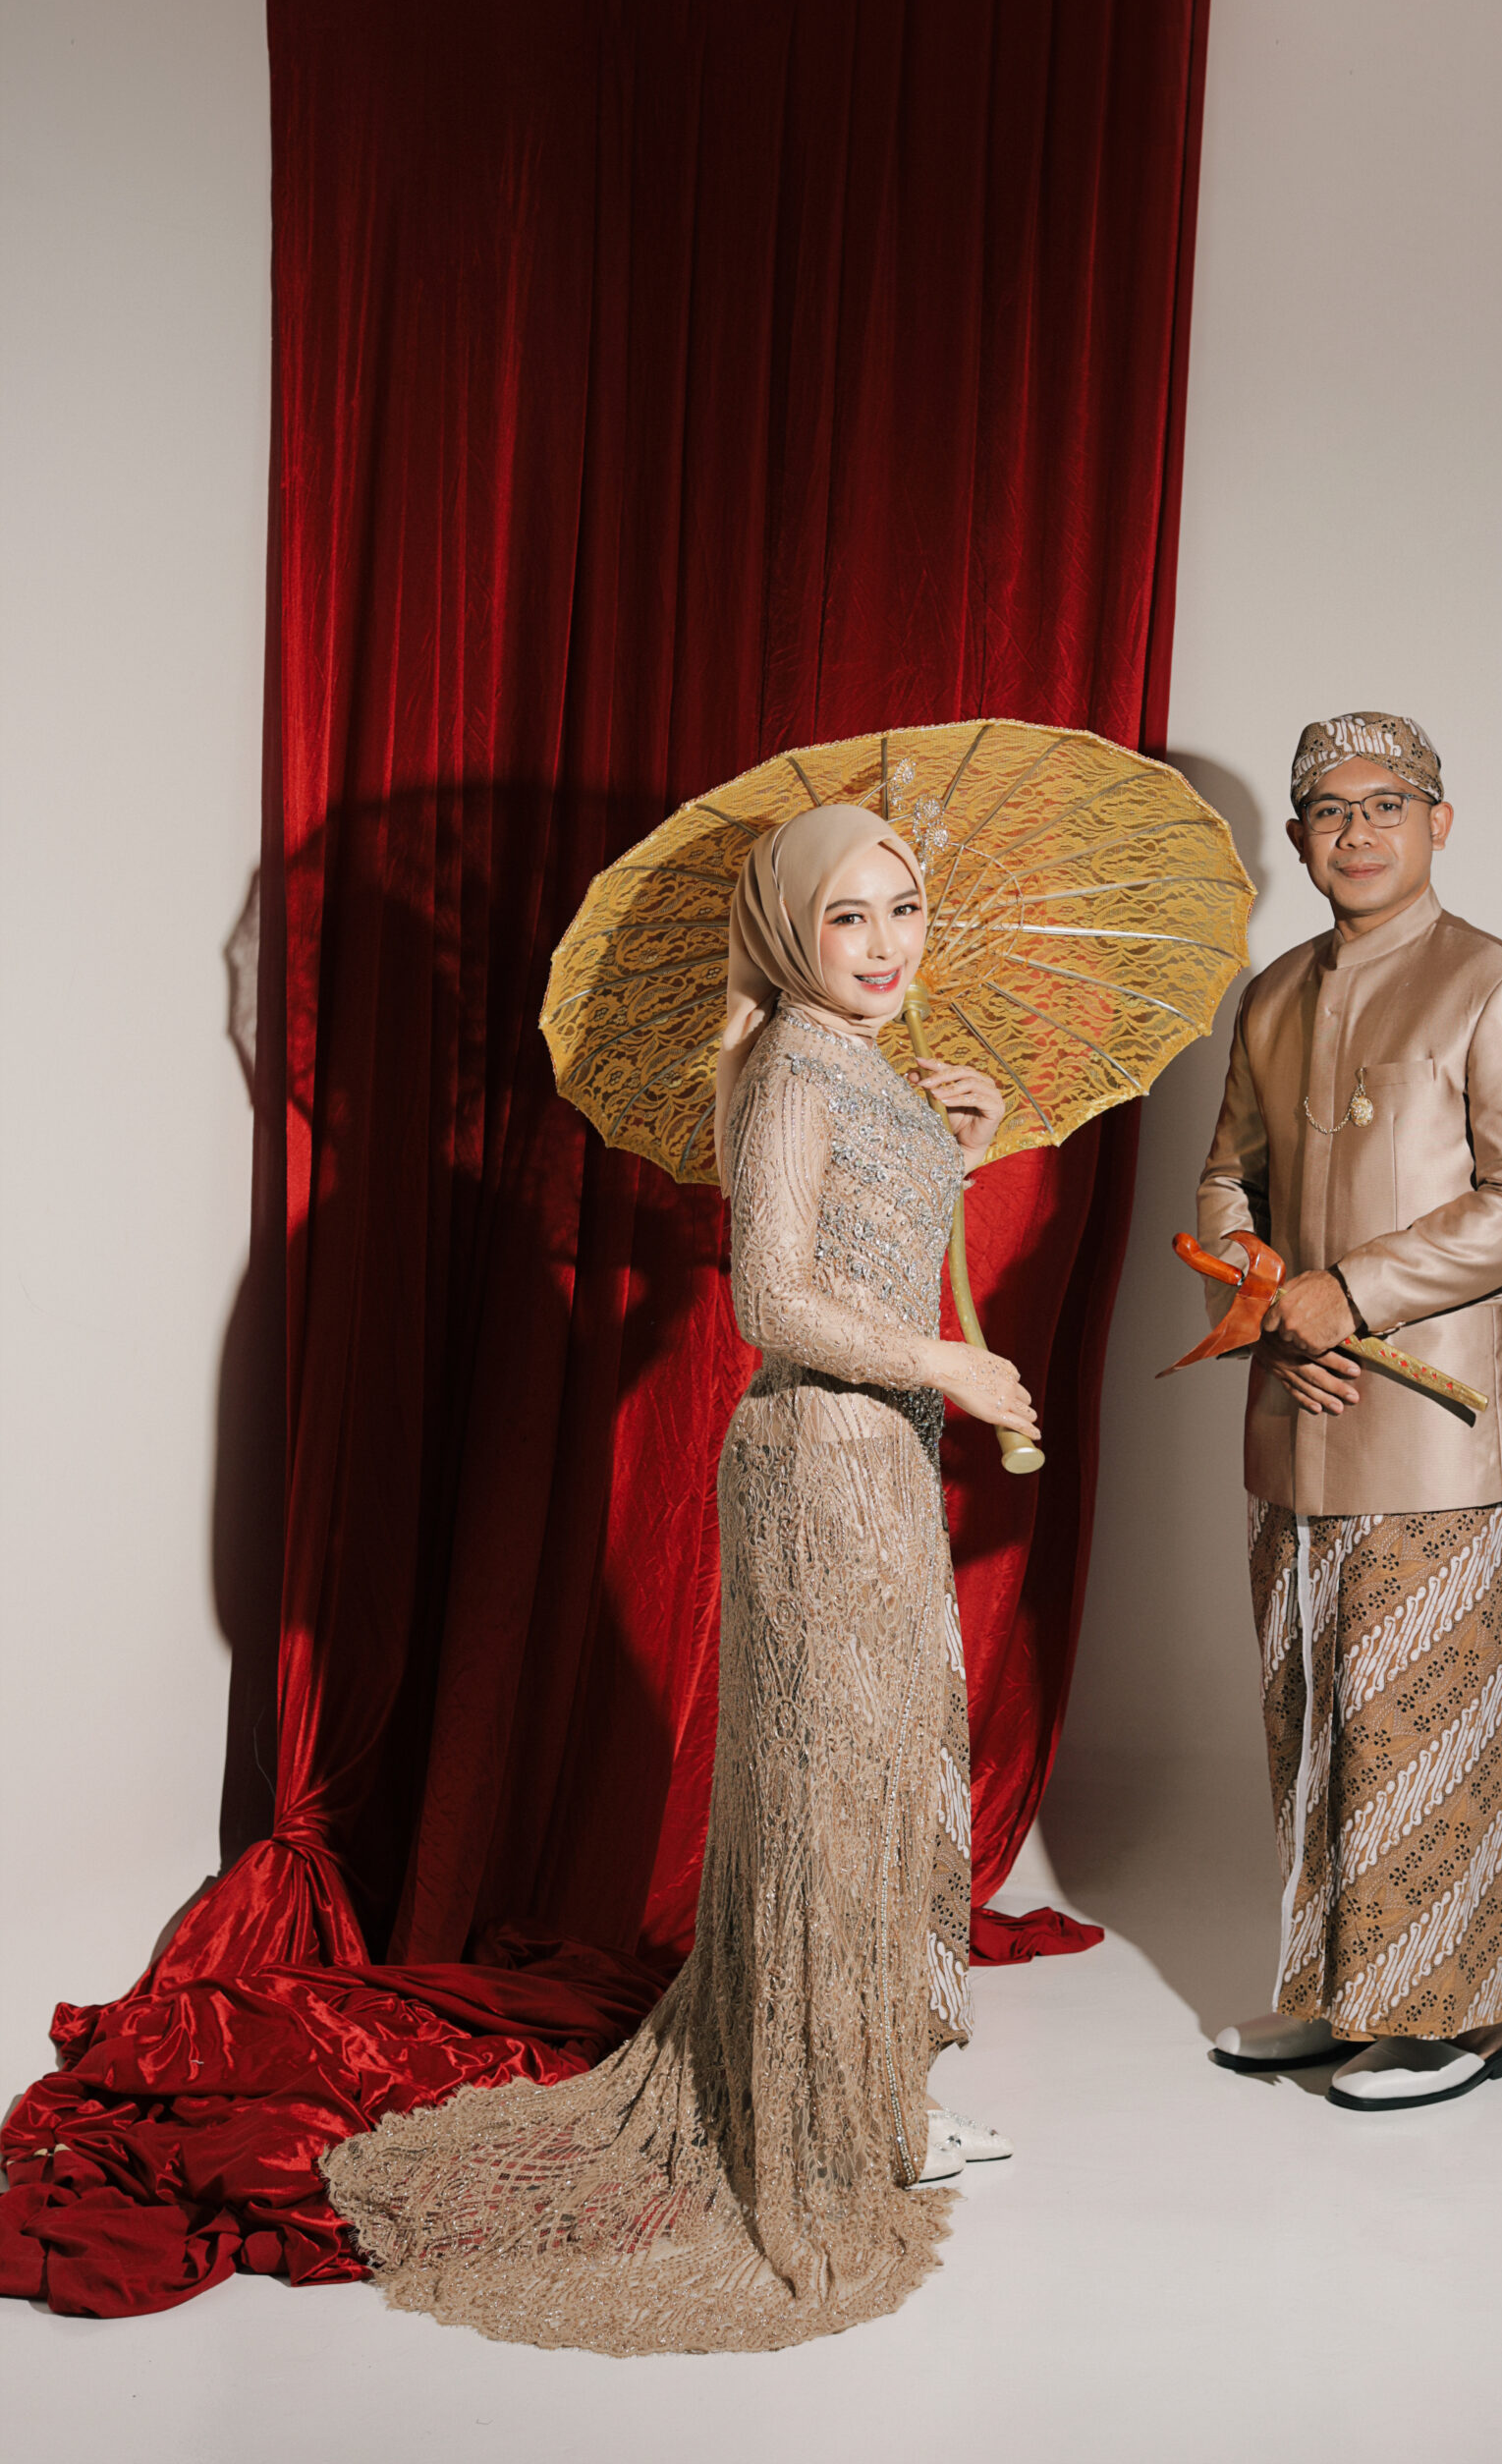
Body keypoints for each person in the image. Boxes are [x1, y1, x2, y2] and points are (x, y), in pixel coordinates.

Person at [323, 803, 1036, 2351]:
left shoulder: (860, 1062)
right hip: (820, 1461)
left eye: (905, 907)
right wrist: (947, 1366)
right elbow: (774, 1301)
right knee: (828, 1792)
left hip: (879, 1459)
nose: (887, 945)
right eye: (848, 916)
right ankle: (810, 2135)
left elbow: (862, 1244)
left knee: (878, 1777)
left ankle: (865, 2101)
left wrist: (956, 1147)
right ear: (787, 929)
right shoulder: (788, 1067)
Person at [1196, 713, 1502, 2111]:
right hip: (1295, 1412)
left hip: (1439, 1427)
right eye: (1327, 811)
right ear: (1300, 840)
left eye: (1386, 804)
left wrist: (1349, 1291)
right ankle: (1337, 1995)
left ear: (1437, 822)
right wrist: (1266, 1303)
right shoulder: (1272, 995)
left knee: (1428, 1721)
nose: (1355, 832)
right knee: (1313, 1719)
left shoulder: (1500, 982)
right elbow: (1225, 1183)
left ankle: (1450, 2022)